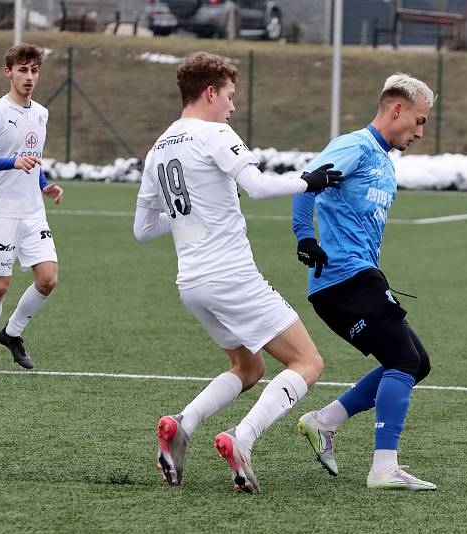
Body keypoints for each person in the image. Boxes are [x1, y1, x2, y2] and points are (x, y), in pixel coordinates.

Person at [133, 52, 343, 494]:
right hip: (231, 278)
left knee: (248, 366)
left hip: (191, 284)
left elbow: (143, 229)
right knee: (308, 362)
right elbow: (259, 187)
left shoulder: (158, 148)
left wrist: (189, 211)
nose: (232, 106)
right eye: (229, 96)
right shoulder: (215, 133)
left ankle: (182, 424)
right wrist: (311, 182)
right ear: (210, 92)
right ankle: (241, 439)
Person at [292, 73, 436, 491]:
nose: (421, 132)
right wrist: (305, 236)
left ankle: (324, 421)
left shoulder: (382, 159)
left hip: (360, 277)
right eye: (419, 121)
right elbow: (306, 183)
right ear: (397, 110)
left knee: (416, 363)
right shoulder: (355, 146)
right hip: (343, 279)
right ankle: (383, 468)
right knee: (404, 361)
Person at [0, 43, 63, 374]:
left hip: (33, 211)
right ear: (8, 72)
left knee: (48, 279)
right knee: (0, 286)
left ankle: (13, 333)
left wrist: (44, 184)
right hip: (1, 212)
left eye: (34, 70)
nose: (29, 77)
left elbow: (33, 161)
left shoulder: (41, 113)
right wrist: (12, 161)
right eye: (23, 70)